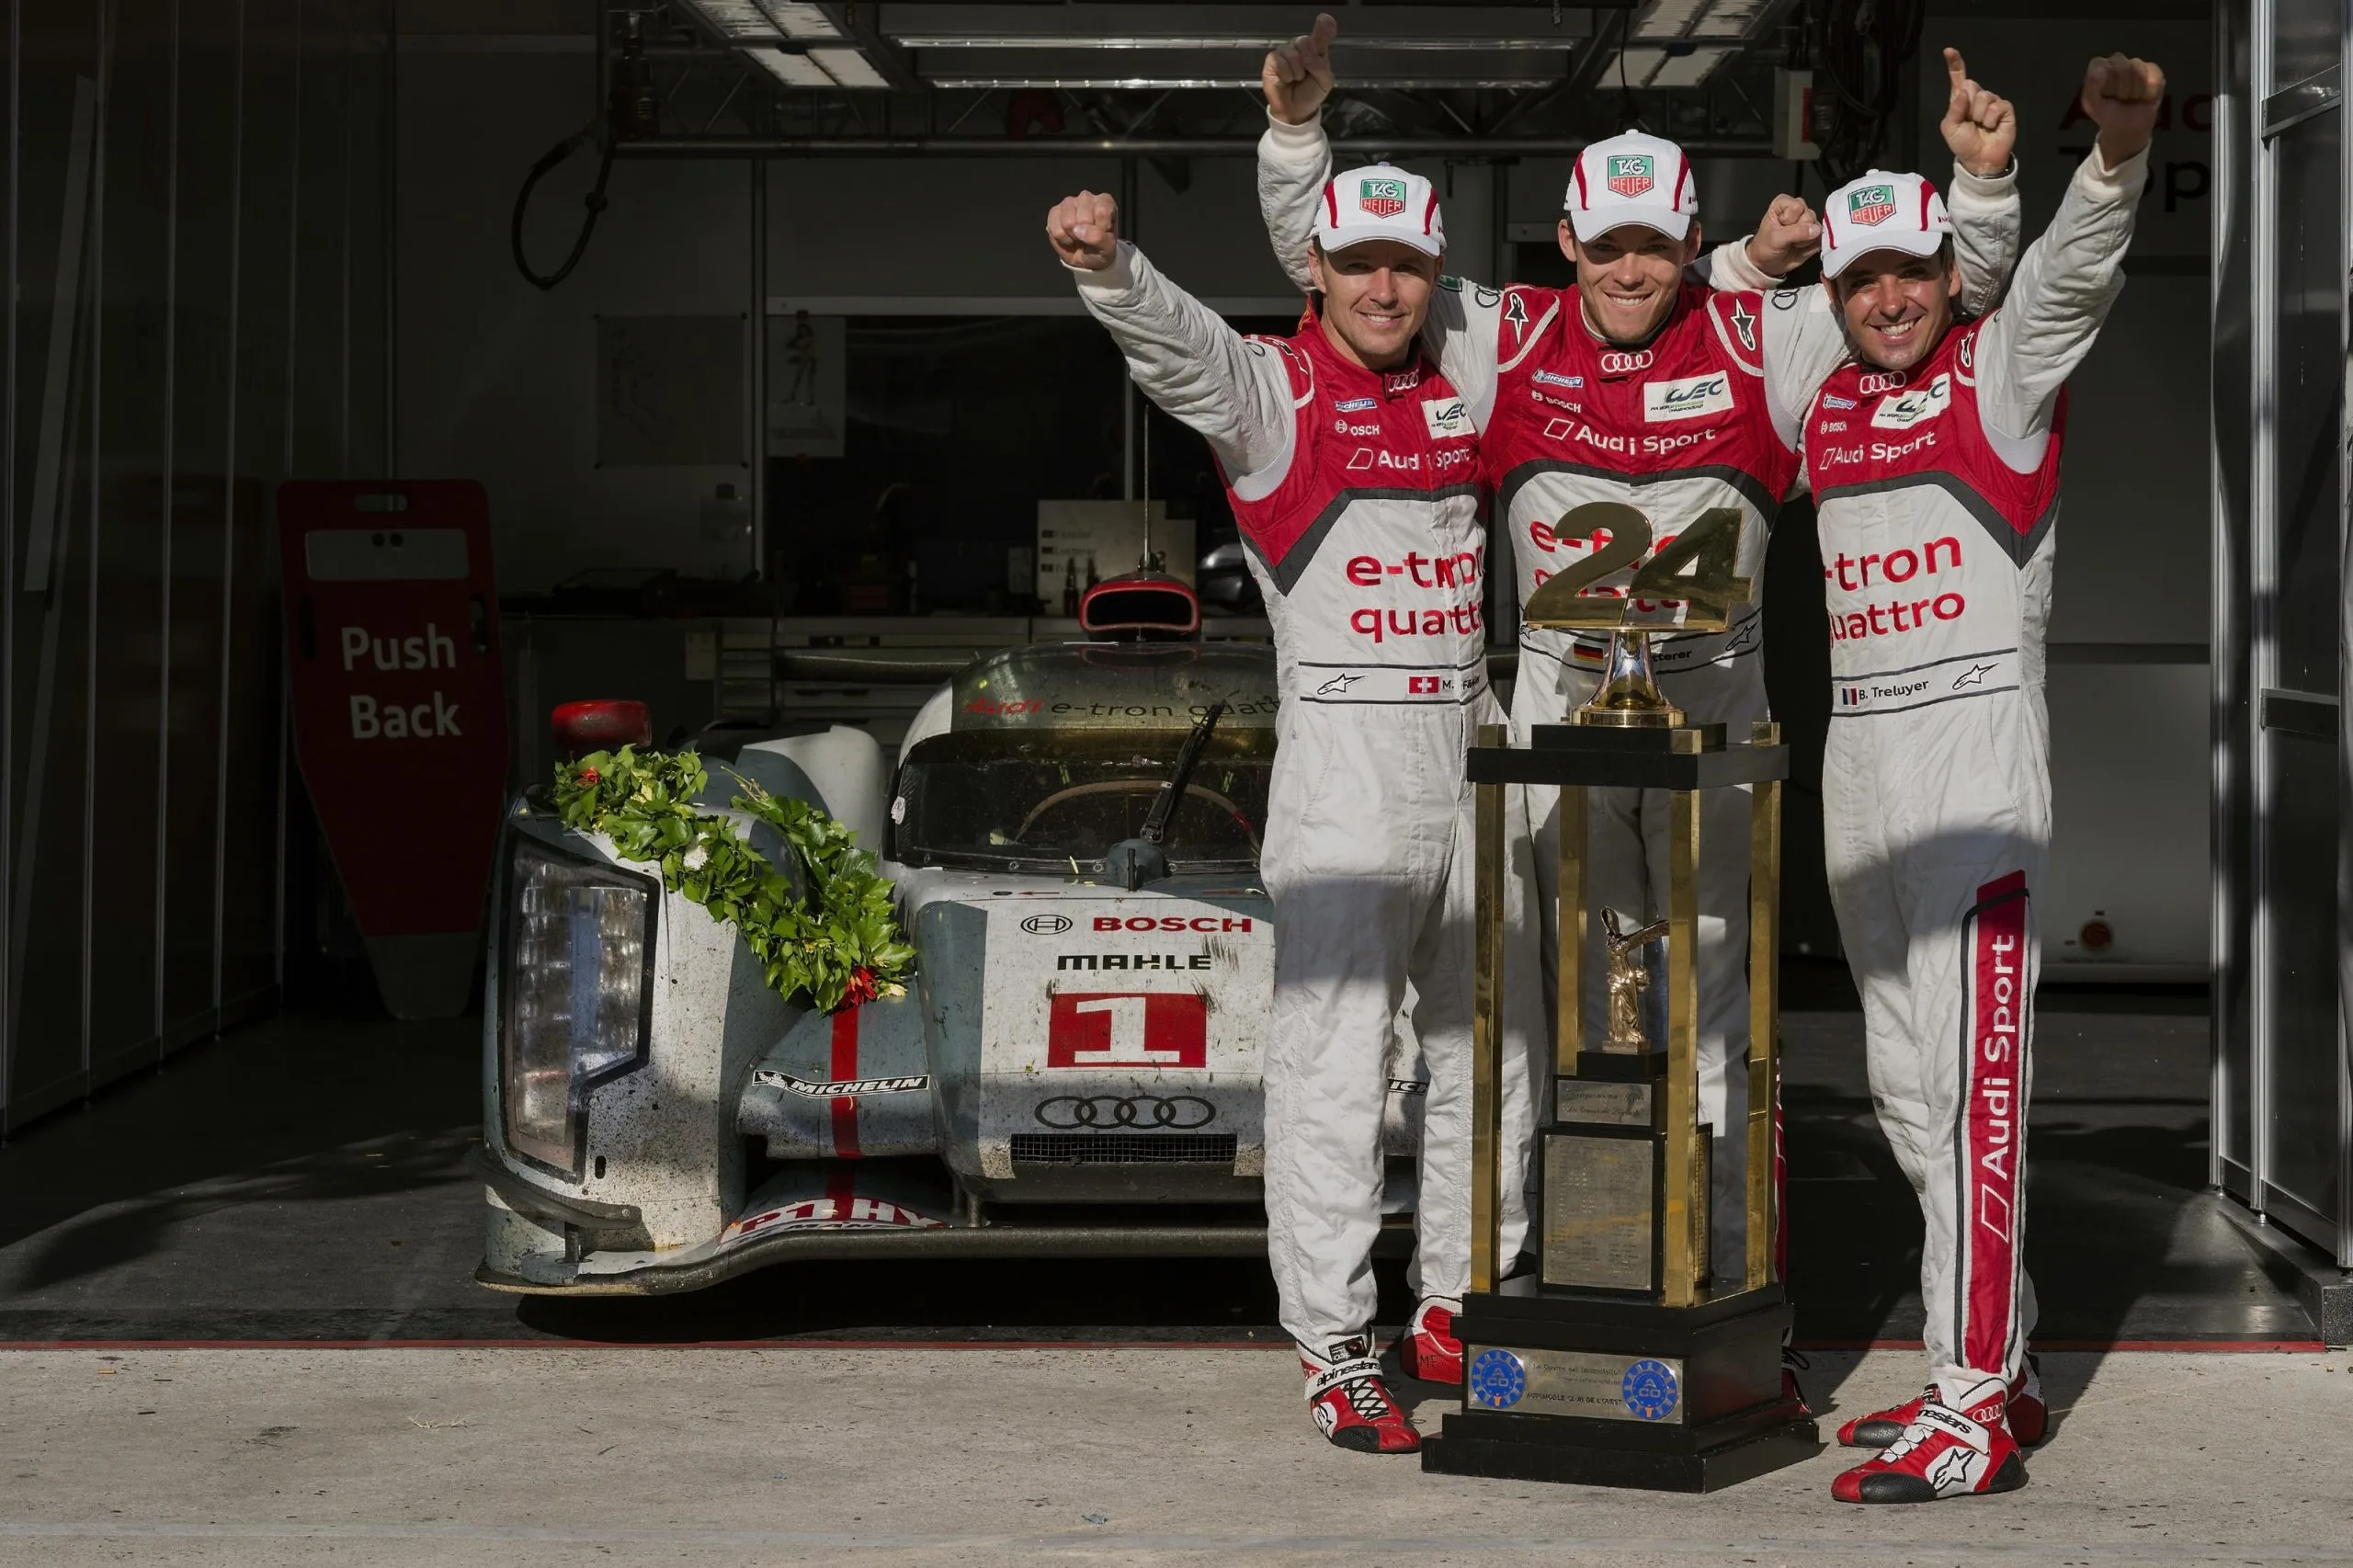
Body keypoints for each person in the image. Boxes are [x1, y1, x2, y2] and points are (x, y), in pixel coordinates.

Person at [1258, 16, 2022, 1310]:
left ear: (1688, 244)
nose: (1628, 268)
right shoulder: (1500, 333)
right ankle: (1575, 1270)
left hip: (1716, 714)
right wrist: (1293, 141)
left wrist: (1985, 194)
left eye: (1654, 246)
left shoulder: (1763, 333)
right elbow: (1346, 273)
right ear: (1565, 242)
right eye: (1606, 244)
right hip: (1557, 714)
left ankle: (1723, 1286)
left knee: (1714, 1013)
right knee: (1564, 1014)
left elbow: (1935, 309)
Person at [1047, 166, 1536, 1454]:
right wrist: (1112, 272)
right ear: (1313, 269)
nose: (1384, 287)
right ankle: (1336, 1345)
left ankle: (1461, 1302)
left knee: (1495, 1052)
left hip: (1473, 740)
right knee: (1336, 1068)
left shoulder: (1464, 379)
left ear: (1436, 276)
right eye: (1358, 261)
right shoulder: (1275, 391)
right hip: (1347, 765)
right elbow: (1184, 350)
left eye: (1408, 266)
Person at [1802, 52, 2164, 1505]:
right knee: (1905, 1091)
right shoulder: (1824, 399)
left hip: (1974, 778)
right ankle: (1996, 1361)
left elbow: (2067, 278)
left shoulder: (2000, 370)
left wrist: (2114, 153)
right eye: (1861, 280)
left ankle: (1969, 1407)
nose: (1888, 297)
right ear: (1835, 292)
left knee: (1973, 1096)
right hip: (1860, 772)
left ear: (1951, 271)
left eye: (1911, 270)